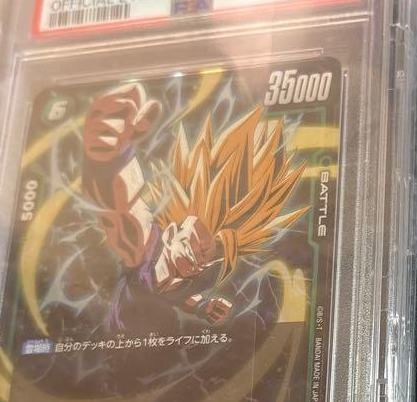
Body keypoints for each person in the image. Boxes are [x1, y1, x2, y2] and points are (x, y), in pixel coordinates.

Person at [80, 82, 307, 334]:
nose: (201, 260)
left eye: (209, 254)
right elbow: (122, 206)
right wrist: (108, 157)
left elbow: (175, 291)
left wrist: (202, 307)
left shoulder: (195, 274)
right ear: (171, 233)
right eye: (195, 246)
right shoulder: (143, 247)